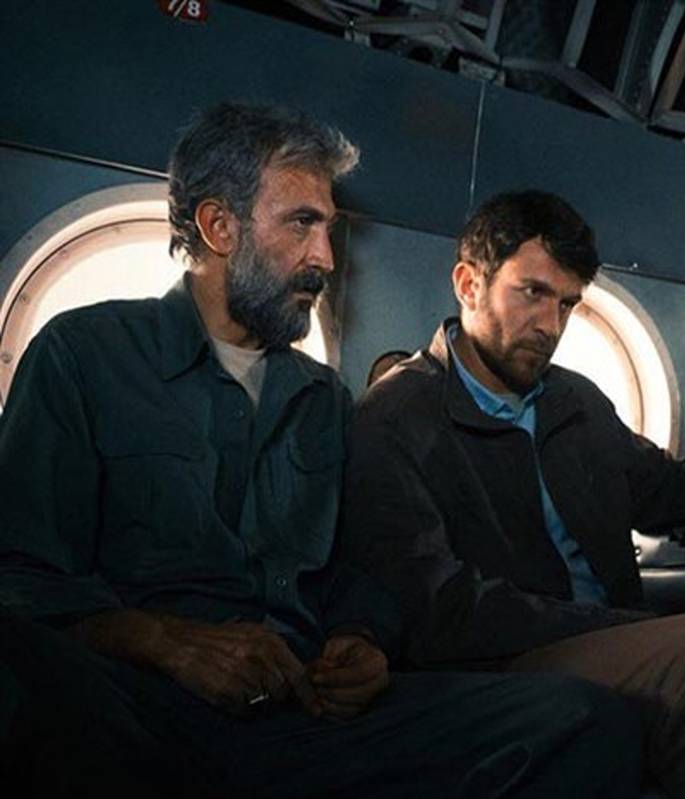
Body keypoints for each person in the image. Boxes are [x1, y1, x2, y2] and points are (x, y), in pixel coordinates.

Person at [0, 102, 642, 798]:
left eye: (328, 229)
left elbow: (353, 571)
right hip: (139, 706)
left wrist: (361, 639)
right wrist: (164, 642)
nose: (325, 258)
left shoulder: (323, 399)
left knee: (585, 719)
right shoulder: (84, 356)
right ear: (218, 227)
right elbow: (22, 576)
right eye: (301, 224)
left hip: (295, 715)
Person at [340, 189, 685, 799]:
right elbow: (439, 609)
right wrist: (615, 625)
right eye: (532, 292)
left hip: (616, 637)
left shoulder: (572, 400)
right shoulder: (396, 418)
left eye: (567, 303)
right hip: (500, 664)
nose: (550, 325)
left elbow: (668, 484)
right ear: (469, 284)